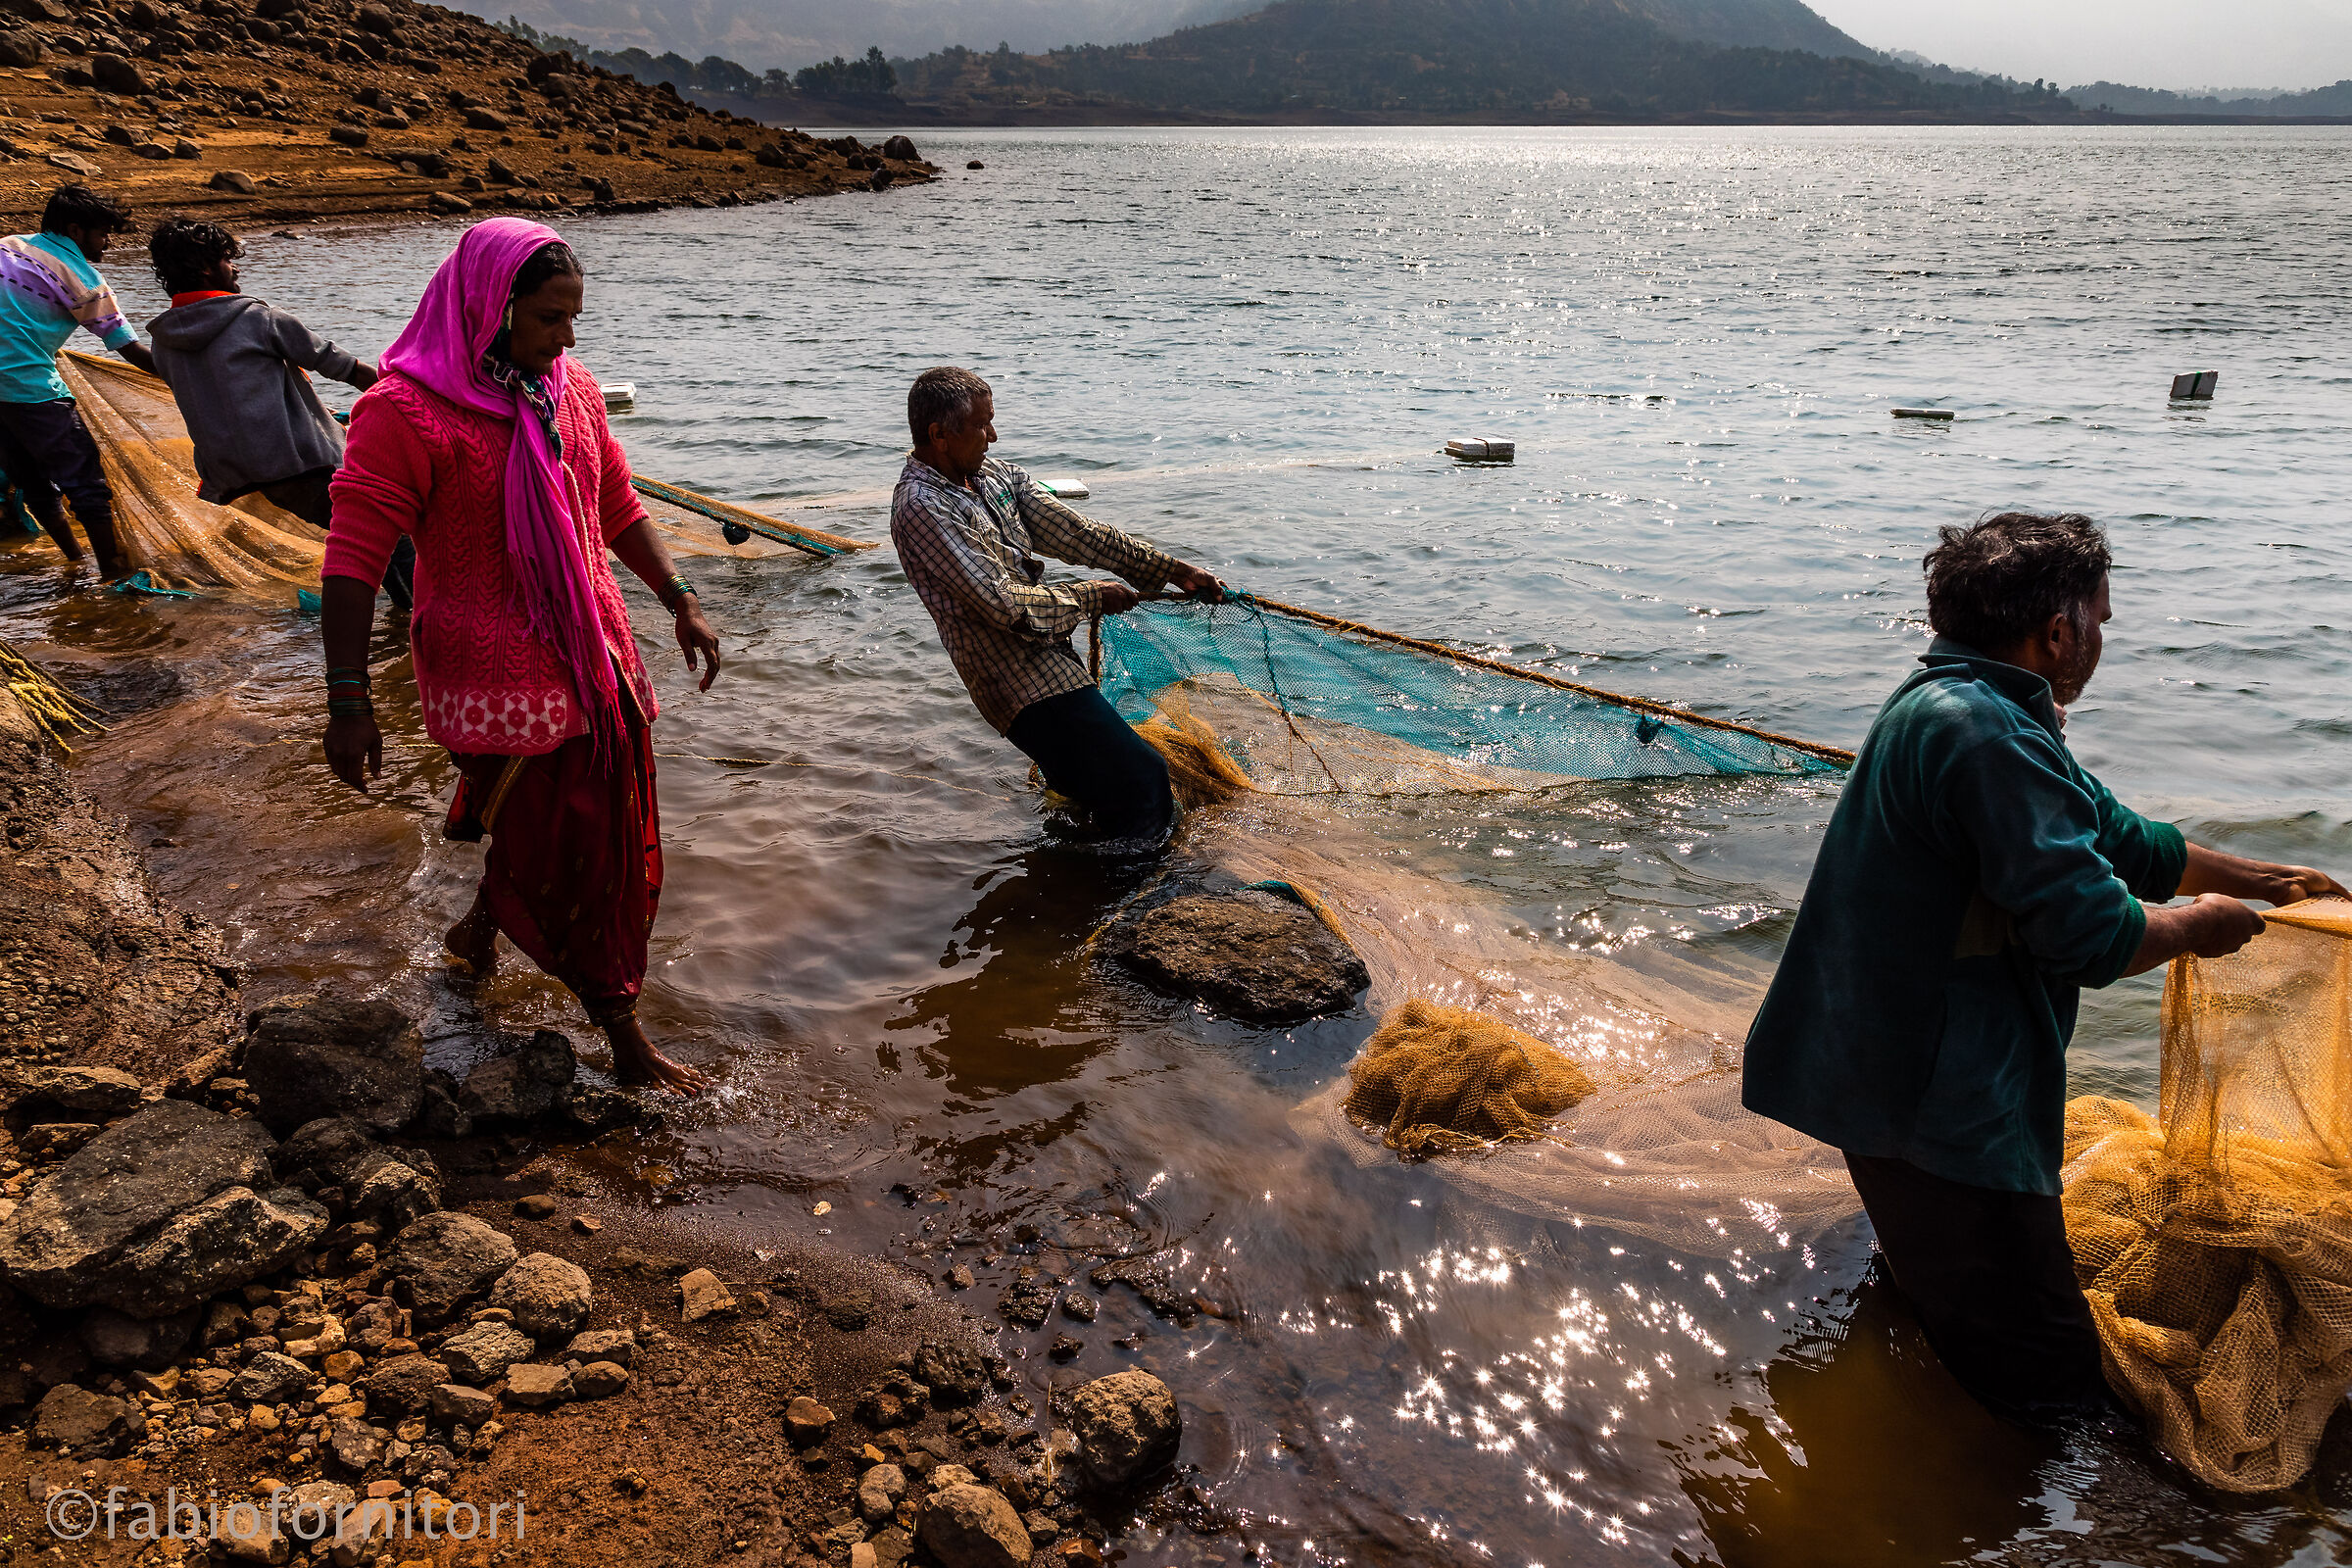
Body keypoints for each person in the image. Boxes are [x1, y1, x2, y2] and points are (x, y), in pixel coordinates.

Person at [1742, 511, 2346, 1426]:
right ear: (2058, 630)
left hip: (1884, 1071)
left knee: (1939, 1293)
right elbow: (2093, 936)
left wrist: (2268, 878)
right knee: (2045, 1370)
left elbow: (2112, 833)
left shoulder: (1966, 702)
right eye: (2100, 619)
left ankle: (1894, 1383)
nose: (2102, 638)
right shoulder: (1988, 738)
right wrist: (2196, 927)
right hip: (1932, 1101)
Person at [318, 218, 721, 1095]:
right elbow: (351, 561)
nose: (568, 339)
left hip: (595, 650)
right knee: (575, 845)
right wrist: (348, 701)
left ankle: (475, 934)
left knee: (580, 823)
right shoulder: (405, 412)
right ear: (490, 310)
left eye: (574, 317)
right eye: (548, 319)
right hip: (491, 669)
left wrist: (681, 601)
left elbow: (615, 501)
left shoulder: (566, 388)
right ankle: (623, 1035)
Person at [891, 366, 1222, 845]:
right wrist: (1093, 597)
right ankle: (1133, 901)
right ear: (940, 435)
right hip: (1014, 683)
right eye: (982, 425)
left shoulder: (995, 477)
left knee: (1087, 789)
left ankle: (1071, 884)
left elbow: (1080, 536)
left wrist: (1175, 571)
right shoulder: (921, 507)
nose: (993, 436)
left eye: (992, 420)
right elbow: (1003, 604)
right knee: (1143, 780)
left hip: (1052, 662)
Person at [143, 216, 416, 609]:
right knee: (391, 533)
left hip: (245, 475)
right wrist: (407, 402)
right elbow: (343, 366)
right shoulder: (257, 318)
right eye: (226, 259)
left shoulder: (163, 342)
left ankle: (397, 621)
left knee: (365, 537)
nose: (234, 268)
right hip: (299, 463)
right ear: (205, 267)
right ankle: (414, 629)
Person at [0, 184, 159, 578]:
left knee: (31, 480)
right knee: (87, 484)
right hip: (29, 391)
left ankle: (73, 561)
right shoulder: (85, 280)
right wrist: (193, 373)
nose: (106, 245)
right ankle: (112, 573)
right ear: (75, 230)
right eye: (103, 235)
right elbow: (134, 353)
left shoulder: (7, 245)